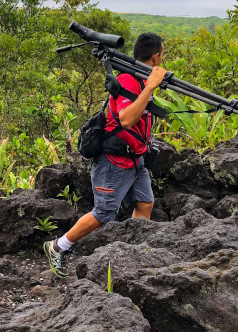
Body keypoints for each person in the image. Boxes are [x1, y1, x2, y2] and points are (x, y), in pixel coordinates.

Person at [44, 32, 167, 278]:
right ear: (156, 56)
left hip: (136, 158)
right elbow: (126, 119)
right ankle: (58, 246)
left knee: (145, 203)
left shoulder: (141, 78)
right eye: (162, 55)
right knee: (103, 213)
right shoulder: (130, 80)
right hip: (115, 161)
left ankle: (134, 256)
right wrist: (151, 87)